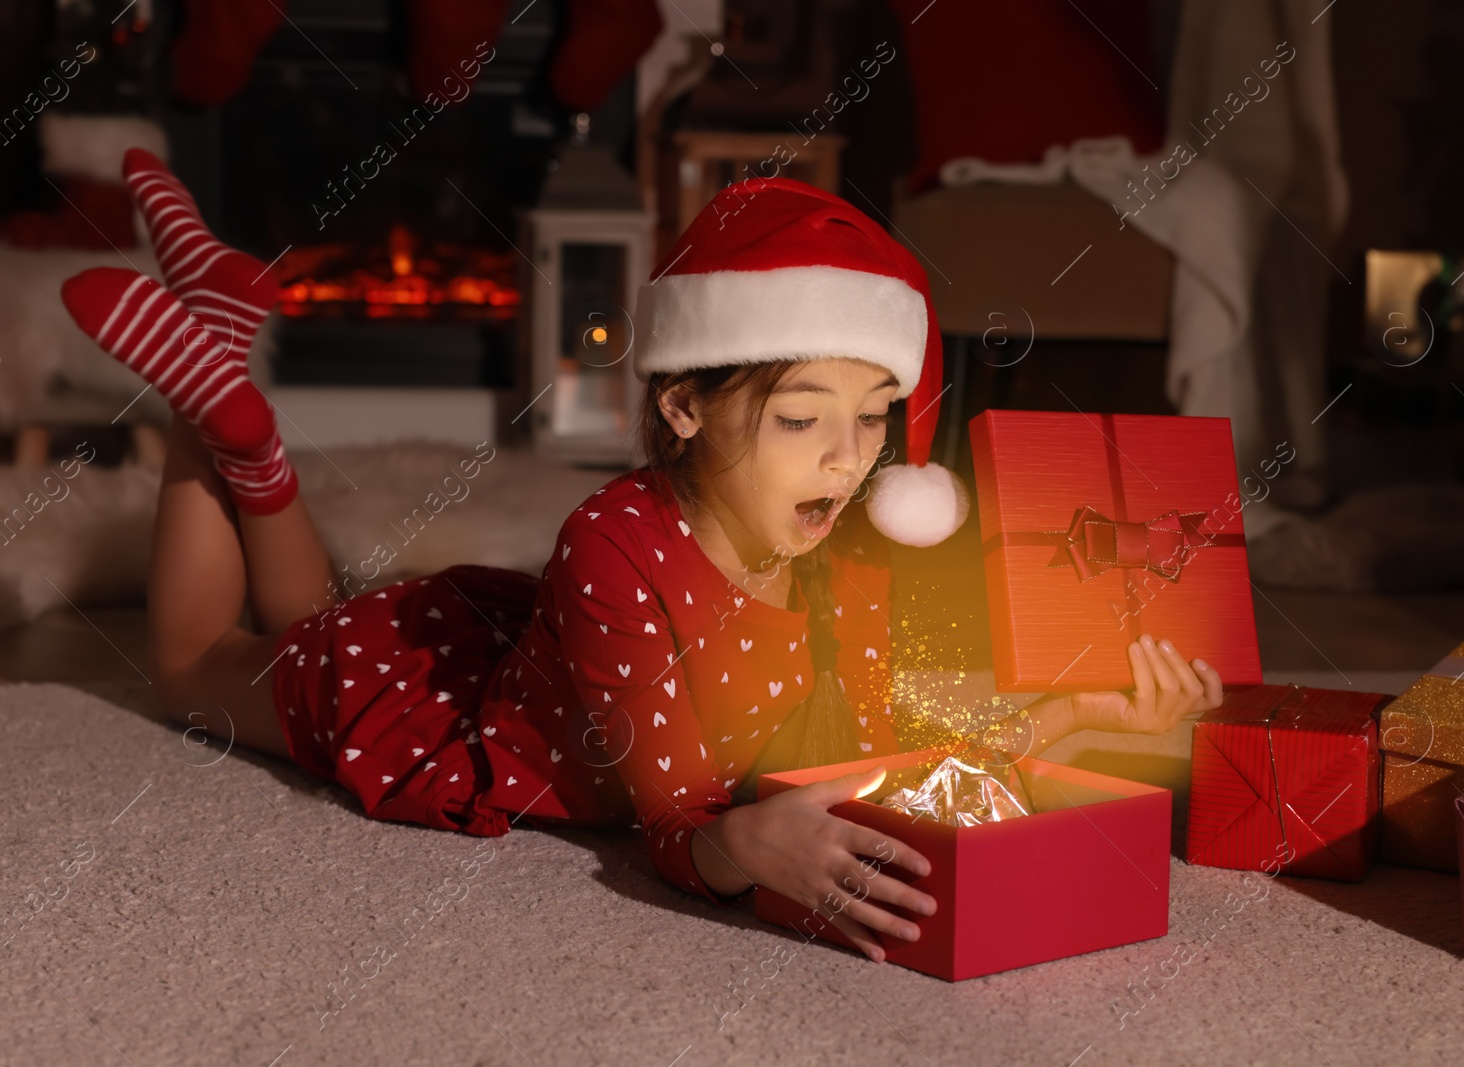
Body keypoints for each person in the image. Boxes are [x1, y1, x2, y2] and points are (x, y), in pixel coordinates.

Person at [60, 154, 1223, 963]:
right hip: (442, 709)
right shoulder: (613, 546)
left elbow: (883, 740)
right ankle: (202, 408)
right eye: (801, 416)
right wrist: (737, 846)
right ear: (680, 410)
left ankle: (236, 399)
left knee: (301, 609)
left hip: (501, 652)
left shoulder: (844, 554)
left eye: (875, 416)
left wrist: (1074, 718)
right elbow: (667, 819)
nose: (850, 458)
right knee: (197, 665)